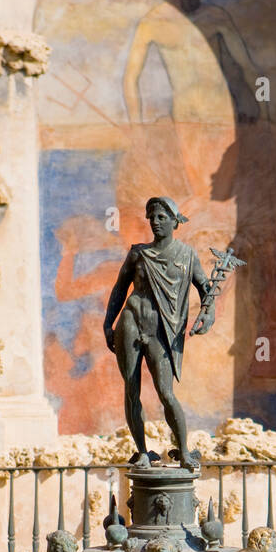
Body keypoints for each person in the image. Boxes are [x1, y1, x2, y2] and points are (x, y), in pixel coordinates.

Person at [104, 196, 214, 471]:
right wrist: (108, 323)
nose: (155, 221)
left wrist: (207, 314)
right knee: (131, 389)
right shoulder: (138, 253)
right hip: (131, 321)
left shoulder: (187, 255)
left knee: (166, 392)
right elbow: (119, 289)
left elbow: (206, 289)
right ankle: (142, 451)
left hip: (161, 331)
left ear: (175, 222)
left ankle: (184, 451)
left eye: (162, 217)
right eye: (151, 216)